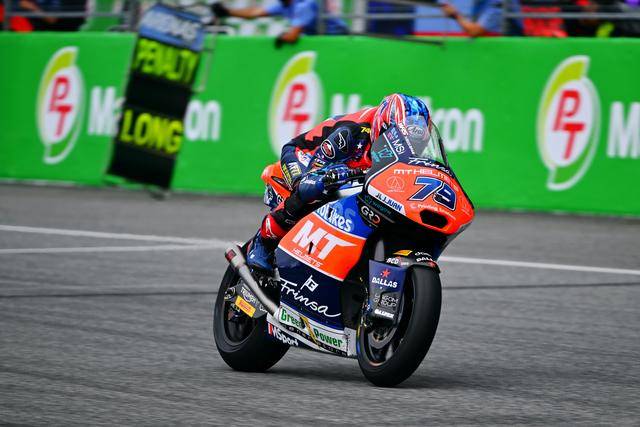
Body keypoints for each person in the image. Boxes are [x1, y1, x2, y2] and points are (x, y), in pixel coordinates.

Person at [246, 93, 431, 272]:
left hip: (351, 168)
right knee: (311, 189)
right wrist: (329, 174)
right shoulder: (351, 132)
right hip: (304, 156)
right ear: (382, 128)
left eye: (416, 145)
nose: (408, 149)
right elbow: (316, 170)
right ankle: (263, 242)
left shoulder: (410, 145)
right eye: (402, 141)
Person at [211, 0, 348, 47]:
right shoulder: (285, 4)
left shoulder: (304, 5)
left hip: (339, 37)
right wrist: (228, 12)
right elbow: (255, 13)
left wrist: (282, 37)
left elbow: (292, 36)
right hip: (324, 39)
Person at [440, 0, 522, 36]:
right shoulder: (479, 2)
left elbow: (475, 31)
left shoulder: (498, 3)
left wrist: (456, 15)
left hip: (508, 51)